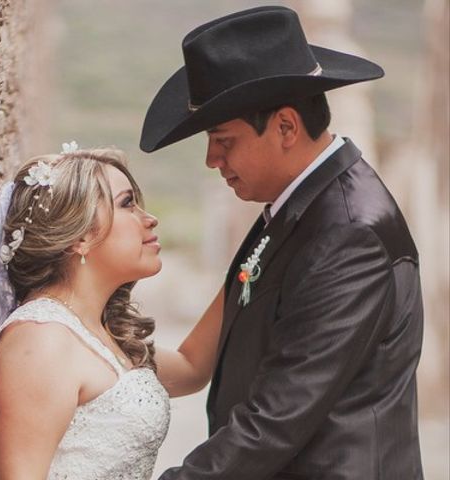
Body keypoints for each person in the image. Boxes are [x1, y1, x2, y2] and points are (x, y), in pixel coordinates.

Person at [140, 6, 424, 480]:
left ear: (287, 127)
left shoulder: (349, 235)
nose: (212, 159)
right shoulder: (293, 206)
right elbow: (195, 359)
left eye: (223, 140)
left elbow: (276, 419)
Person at [0, 145, 226, 479]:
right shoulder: (41, 341)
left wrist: (254, 263)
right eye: (127, 203)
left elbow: (191, 369)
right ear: (79, 237)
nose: (149, 217)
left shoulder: (94, 331)